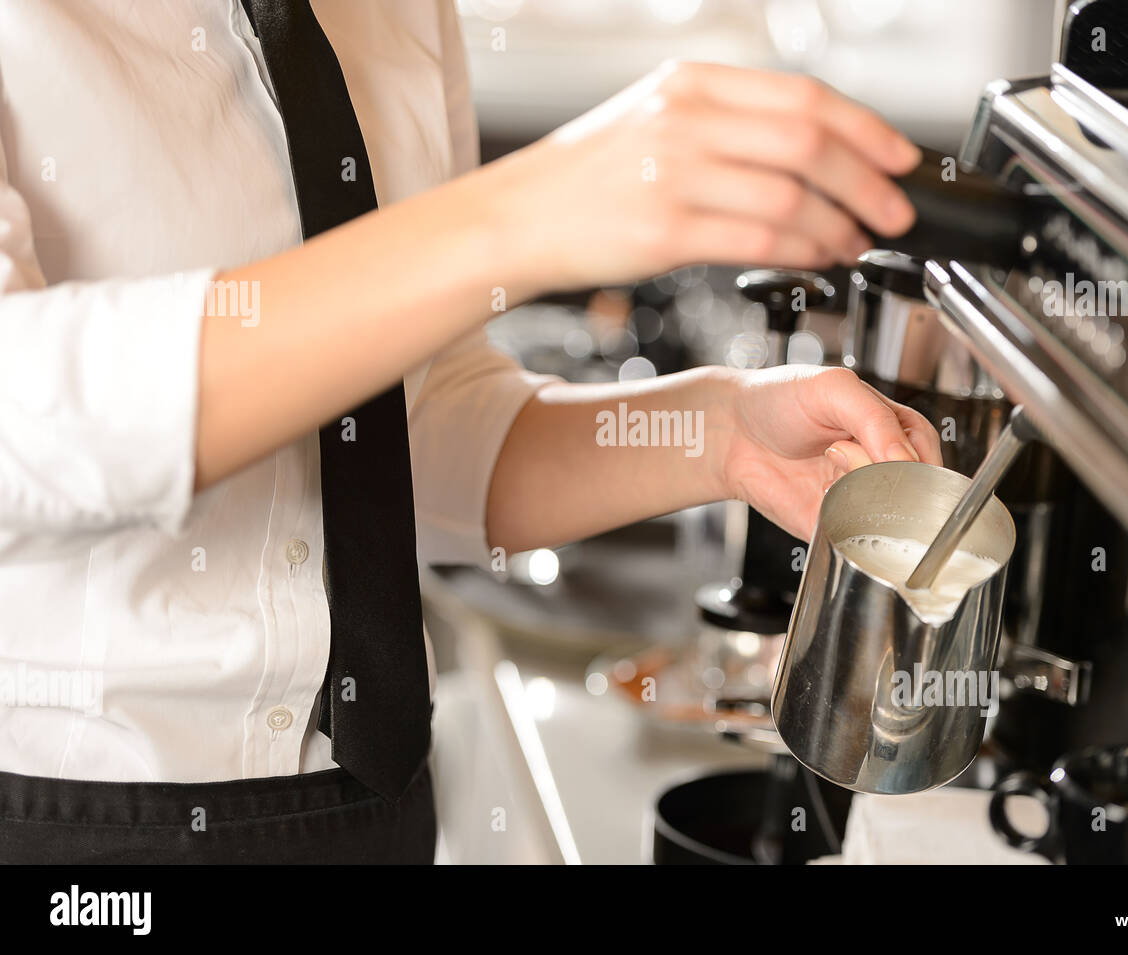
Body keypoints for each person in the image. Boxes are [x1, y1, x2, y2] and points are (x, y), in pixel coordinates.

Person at [0, 0, 940, 863]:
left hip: (371, 809)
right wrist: (517, 214)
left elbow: (407, 423)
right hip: (72, 822)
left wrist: (718, 433)